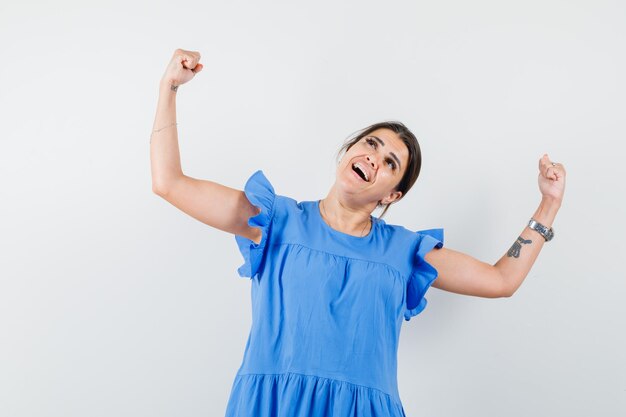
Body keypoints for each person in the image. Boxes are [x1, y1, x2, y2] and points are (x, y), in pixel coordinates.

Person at [150, 49, 566, 417]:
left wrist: (548, 203)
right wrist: (170, 87)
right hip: (273, 404)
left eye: (390, 163)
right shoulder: (276, 220)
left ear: (394, 193)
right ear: (348, 151)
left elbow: (501, 280)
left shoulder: (404, 252)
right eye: (370, 143)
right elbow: (168, 182)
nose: (373, 156)